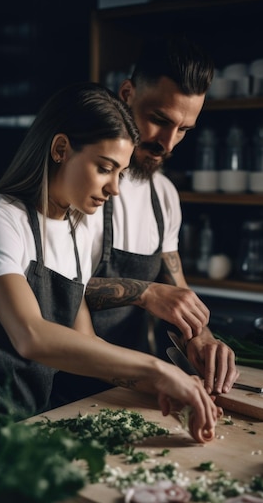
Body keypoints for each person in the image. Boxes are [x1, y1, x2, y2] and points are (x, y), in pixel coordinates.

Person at [0, 81, 219, 442]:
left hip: (28, 419)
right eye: (105, 168)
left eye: (120, 173)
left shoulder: (75, 232)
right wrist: (159, 369)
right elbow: (31, 335)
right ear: (61, 149)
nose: (115, 188)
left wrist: (160, 386)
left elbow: (86, 341)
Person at [85, 36, 239, 395]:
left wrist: (202, 337)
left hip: (128, 387)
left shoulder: (164, 196)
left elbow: (175, 285)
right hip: (61, 381)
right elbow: (48, 292)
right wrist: (145, 292)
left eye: (183, 130)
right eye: (159, 120)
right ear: (126, 94)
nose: (168, 144)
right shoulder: (82, 185)